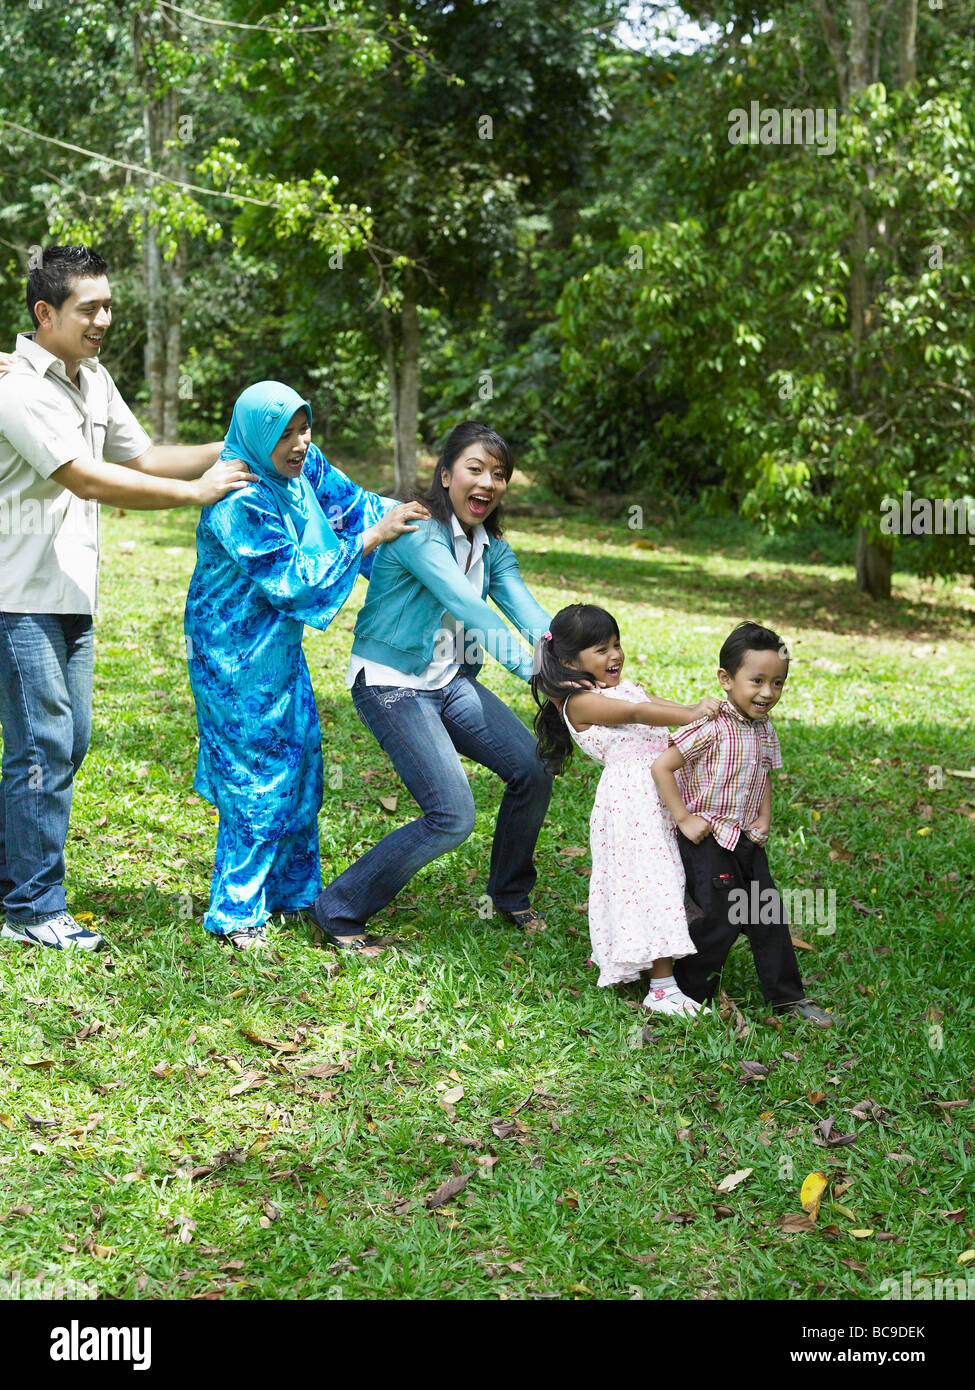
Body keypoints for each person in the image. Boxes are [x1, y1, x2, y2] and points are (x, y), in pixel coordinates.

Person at [0, 244, 254, 953]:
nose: (105, 319)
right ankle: (32, 907)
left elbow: (142, 458)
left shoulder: (93, 379)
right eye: (91, 308)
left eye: (109, 305)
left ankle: (10, 877)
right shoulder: (16, 386)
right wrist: (193, 496)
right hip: (15, 594)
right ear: (45, 313)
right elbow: (87, 477)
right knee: (43, 746)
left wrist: (240, 445)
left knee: (63, 743)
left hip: (71, 593)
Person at [184, 380, 428, 951]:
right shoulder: (238, 495)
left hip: (278, 648)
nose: (299, 444)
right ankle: (236, 912)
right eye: (284, 434)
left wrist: (421, 522)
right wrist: (371, 538)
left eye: (303, 428)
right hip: (232, 655)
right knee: (258, 775)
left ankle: (292, 892)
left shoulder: (302, 464)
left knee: (301, 762)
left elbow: (353, 505)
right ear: (255, 435)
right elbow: (297, 581)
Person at [310, 421, 552, 952]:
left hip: (447, 681)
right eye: (475, 468)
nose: (487, 482)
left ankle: (510, 895)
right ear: (445, 476)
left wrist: (580, 656)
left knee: (532, 767)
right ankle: (337, 909)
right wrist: (538, 674)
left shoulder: (491, 548)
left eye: (500, 474)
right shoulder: (420, 532)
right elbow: (468, 606)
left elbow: (530, 614)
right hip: (391, 684)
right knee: (452, 815)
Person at [531, 604, 720, 1014]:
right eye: (600, 649)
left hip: (661, 789)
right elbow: (637, 712)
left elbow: (653, 702)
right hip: (633, 800)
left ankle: (640, 957)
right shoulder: (578, 702)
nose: (614, 655)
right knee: (654, 880)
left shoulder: (622, 687)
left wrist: (704, 718)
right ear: (568, 660)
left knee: (667, 876)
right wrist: (691, 712)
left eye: (616, 644)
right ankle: (663, 989)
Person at [651, 621, 838, 1025]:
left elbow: (765, 774)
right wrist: (683, 818)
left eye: (778, 683)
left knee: (768, 916)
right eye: (757, 680)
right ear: (726, 678)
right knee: (720, 917)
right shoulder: (709, 726)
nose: (767, 692)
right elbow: (662, 766)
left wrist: (765, 817)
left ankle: (788, 999)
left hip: (747, 839)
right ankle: (689, 995)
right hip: (709, 839)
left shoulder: (766, 730)